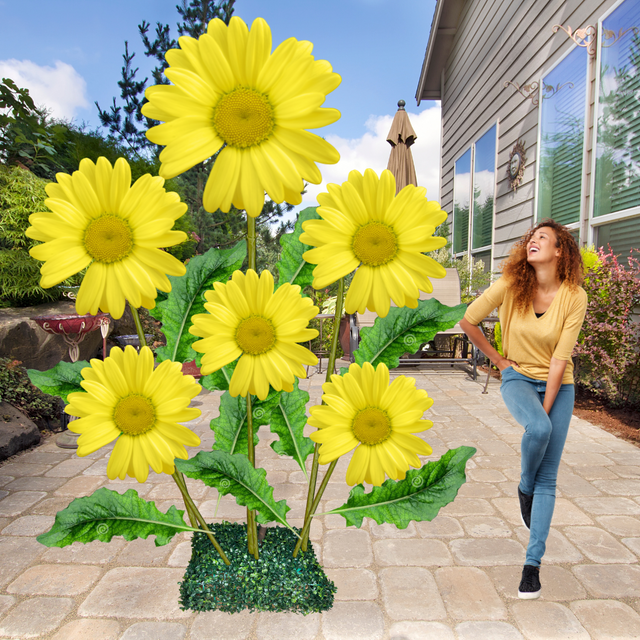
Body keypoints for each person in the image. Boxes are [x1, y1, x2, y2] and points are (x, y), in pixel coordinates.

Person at [459, 219, 587, 599]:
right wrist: (499, 361)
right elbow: (468, 320)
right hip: (516, 377)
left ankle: (532, 566)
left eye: (542, 238)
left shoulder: (574, 296)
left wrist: (545, 412)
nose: (533, 242)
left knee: (549, 476)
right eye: (531, 238)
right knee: (540, 431)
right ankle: (523, 485)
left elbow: (560, 361)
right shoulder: (511, 285)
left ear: (559, 251)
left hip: (558, 384)